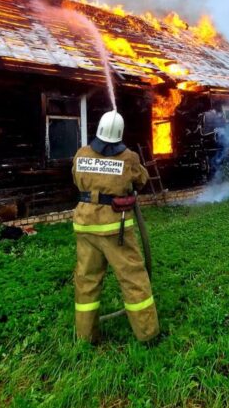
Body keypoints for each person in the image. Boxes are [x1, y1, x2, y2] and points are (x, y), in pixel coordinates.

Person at [71, 110, 159, 343]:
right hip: (114, 229)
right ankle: (148, 334)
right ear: (119, 134)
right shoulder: (128, 157)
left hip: (85, 225)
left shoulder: (81, 154)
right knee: (133, 278)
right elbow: (141, 180)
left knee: (87, 280)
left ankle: (85, 336)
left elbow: (76, 179)